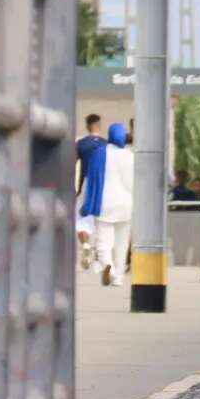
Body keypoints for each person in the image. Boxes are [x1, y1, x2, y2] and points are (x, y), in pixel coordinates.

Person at [94, 123, 135, 286]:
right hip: (126, 204)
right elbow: (134, 182)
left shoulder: (100, 153)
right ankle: (118, 277)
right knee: (122, 242)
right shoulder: (130, 156)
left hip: (105, 202)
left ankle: (107, 266)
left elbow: (94, 180)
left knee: (104, 240)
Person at [74, 114, 107, 271]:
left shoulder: (81, 144)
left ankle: (86, 244)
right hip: (104, 186)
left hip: (87, 185)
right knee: (102, 223)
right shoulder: (107, 145)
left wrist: (75, 188)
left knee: (82, 222)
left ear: (87, 126)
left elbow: (71, 166)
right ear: (99, 125)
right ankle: (99, 256)